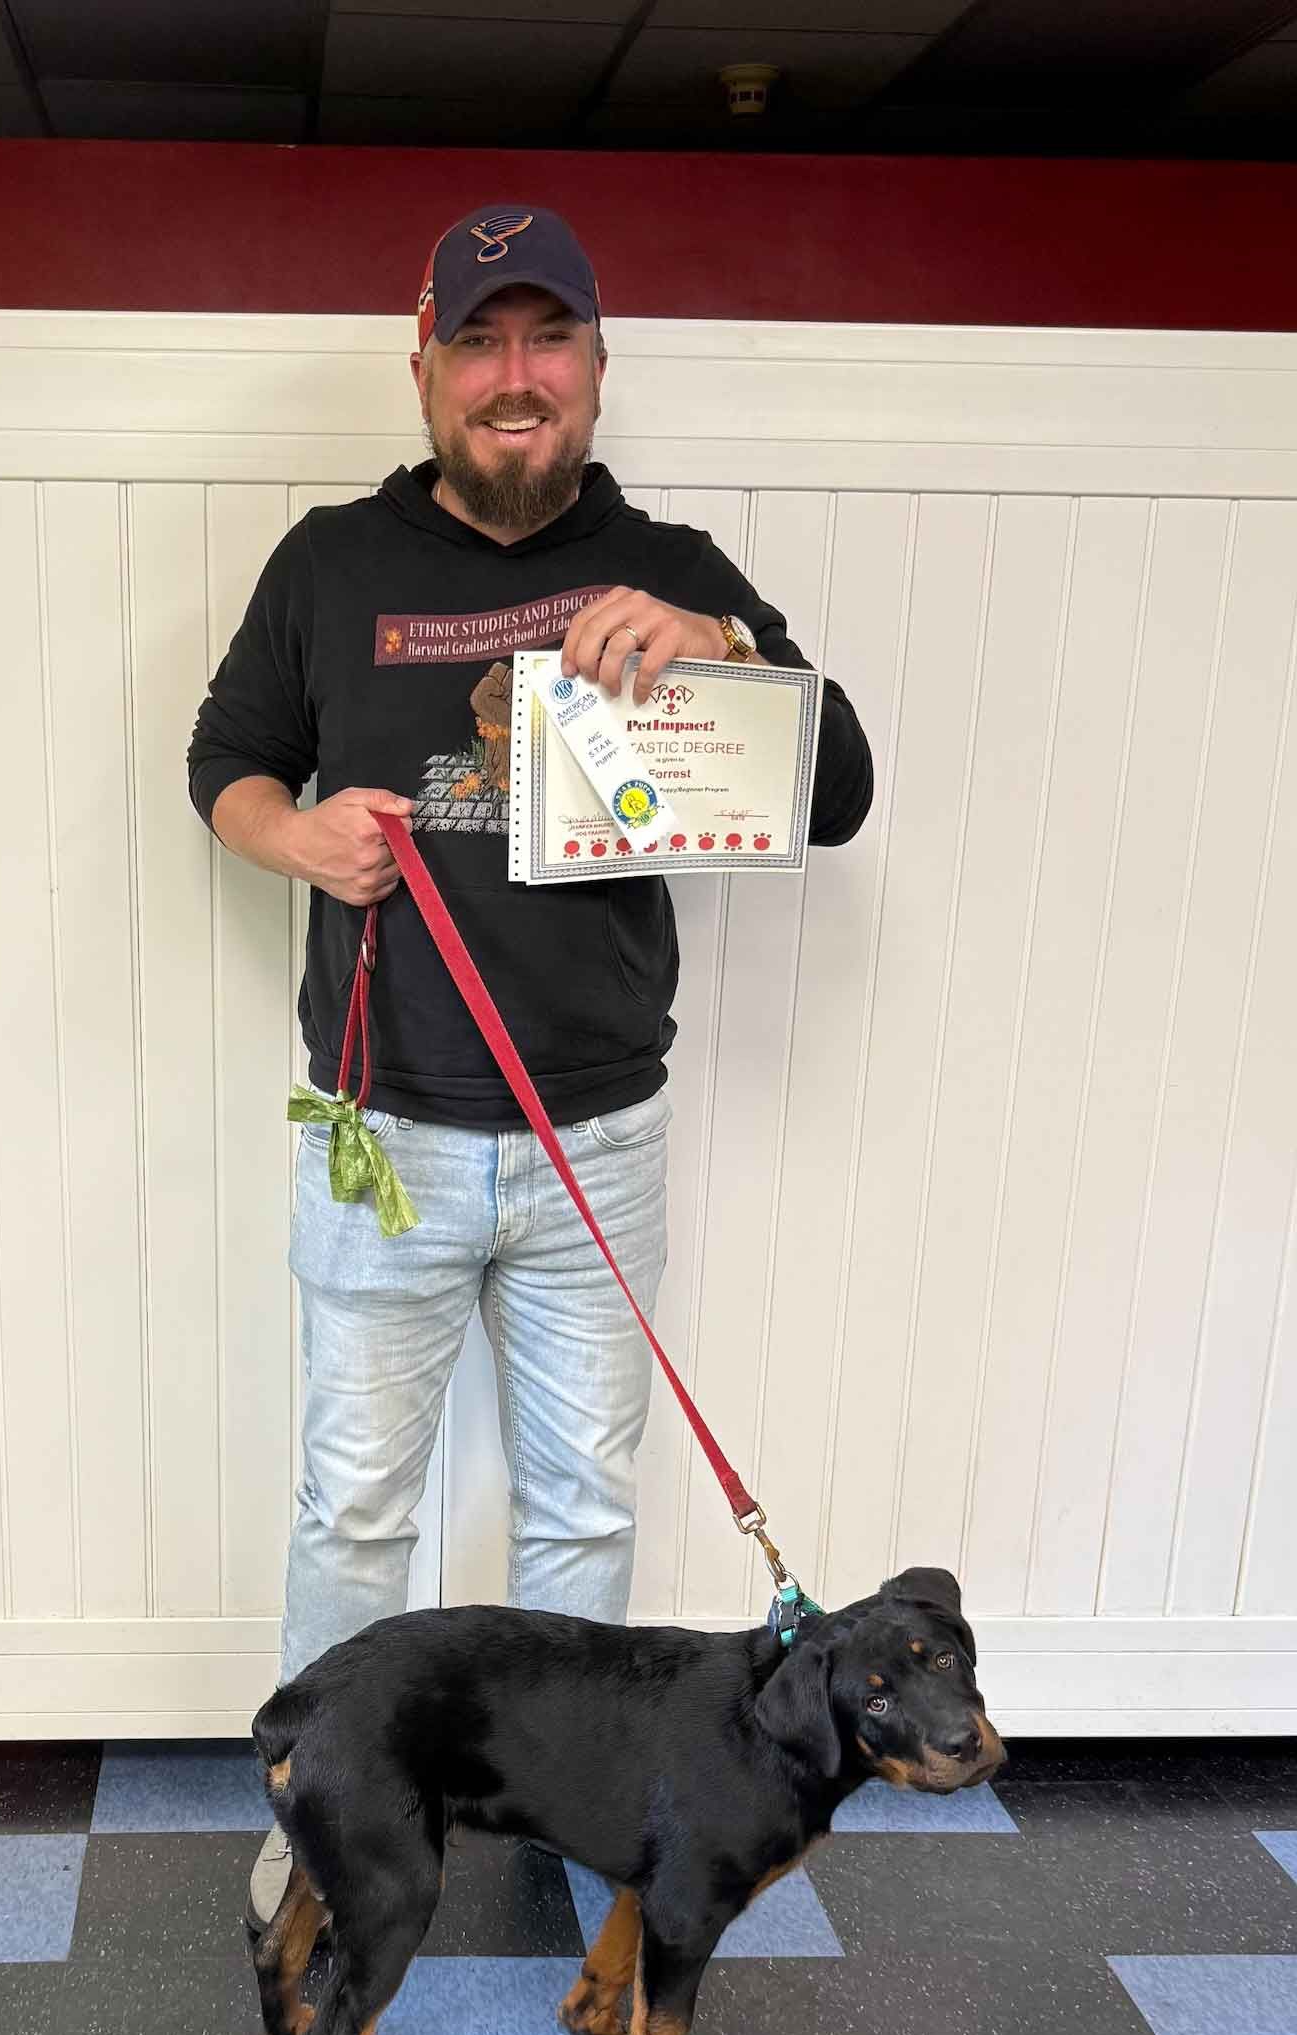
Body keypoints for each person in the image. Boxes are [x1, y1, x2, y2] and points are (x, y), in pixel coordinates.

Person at [187, 204, 874, 1923]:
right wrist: (297, 843)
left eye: (546, 343)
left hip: (598, 1138)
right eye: (480, 345)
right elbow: (223, 762)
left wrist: (725, 653)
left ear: (592, 368)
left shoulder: (676, 569)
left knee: (581, 1518)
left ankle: (569, 1826)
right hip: (384, 1129)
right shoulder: (329, 566)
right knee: (355, 1511)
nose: (515, 379)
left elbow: (840, 785)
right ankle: (328, 1821)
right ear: (423, 362)